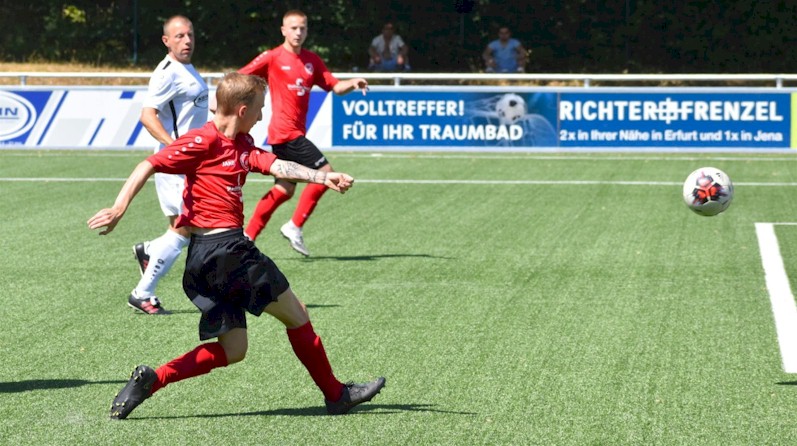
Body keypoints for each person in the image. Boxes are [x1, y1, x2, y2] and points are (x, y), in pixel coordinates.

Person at [88, 72, 385, 420]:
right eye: (260, 109)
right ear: (243, 110)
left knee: (234, 349)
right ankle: (336, 395)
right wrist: (119, 208)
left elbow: (276, 164)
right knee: (297, 315)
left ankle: (153, 379)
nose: (262, 117)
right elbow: (148, 164)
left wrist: (322, 176)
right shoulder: (202, 141)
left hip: (202, 259)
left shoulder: (242, 145)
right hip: (228, 250)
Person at [239, 10, 370, 256]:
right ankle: (294, 225)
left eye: (302, 28)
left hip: (292, 134)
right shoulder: (273, 57)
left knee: (284, 189)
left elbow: (334, 86)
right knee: (326, 174)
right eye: (293, 28)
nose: (298, 32)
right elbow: (241, 76)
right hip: (285, 134)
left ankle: (248, 236)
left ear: (307, 30)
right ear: (283, 30)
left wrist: (353, 83)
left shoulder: (312, 60)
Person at [131, 15, 209, 315]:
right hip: (176, 163)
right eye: (179, 37)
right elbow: (147, 115)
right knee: (186, 226)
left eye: (190, 35)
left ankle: (150, 251)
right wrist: (175, 146)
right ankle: (142, 292)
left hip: (190, 161)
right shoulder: (166, 73)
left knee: (184, 227)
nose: (187, 41)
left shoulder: (186, 67)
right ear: (166, 41)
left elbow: (193, 106)